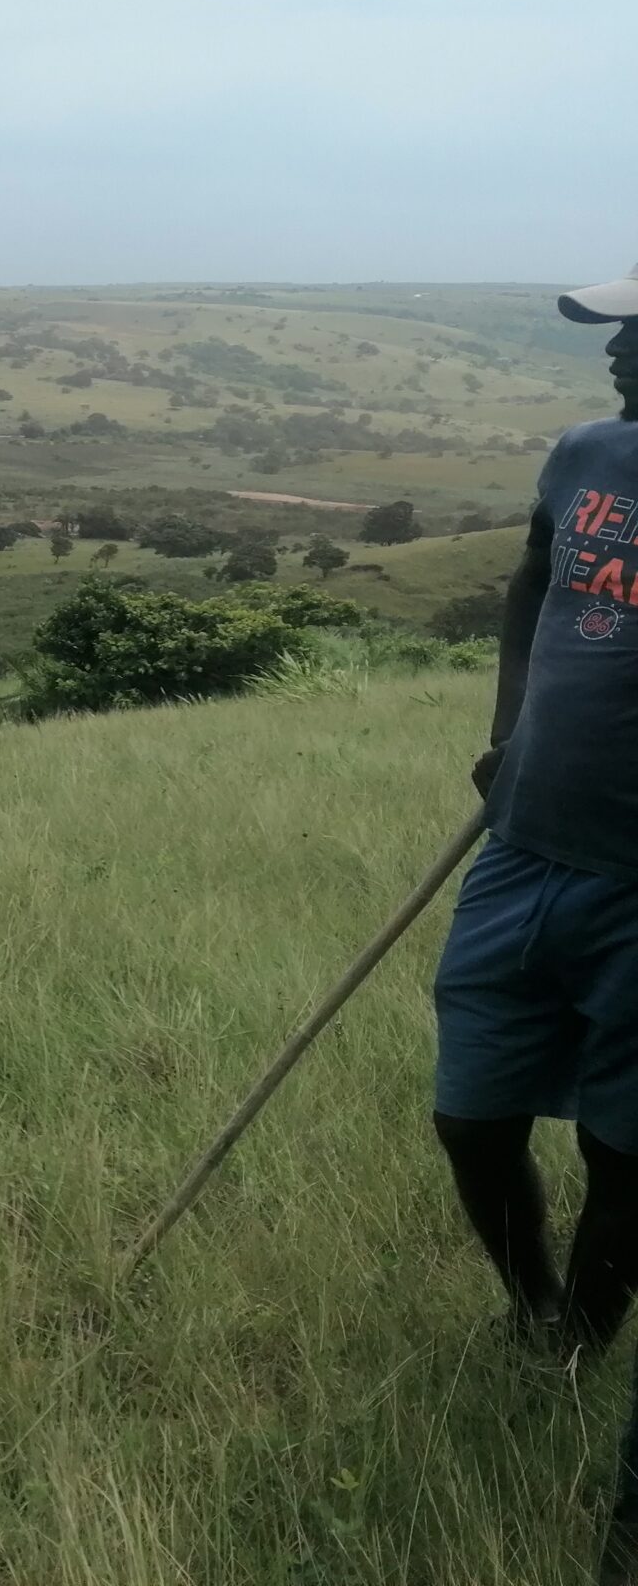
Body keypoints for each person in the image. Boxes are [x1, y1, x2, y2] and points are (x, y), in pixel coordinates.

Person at [426, 262, 638, 1583]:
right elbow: (524, 584)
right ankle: (538, 1304)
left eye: (637, 333)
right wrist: (506, 733)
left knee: (628, 1154)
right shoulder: (584, 455)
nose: (615, 354)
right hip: (524, 850)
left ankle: (588, 1331)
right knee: (470, 1112)